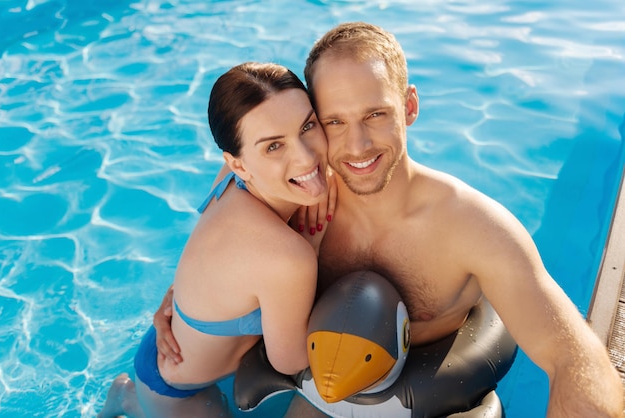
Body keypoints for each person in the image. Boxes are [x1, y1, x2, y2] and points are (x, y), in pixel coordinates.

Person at [155, 23, 624, 417]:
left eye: (376, 114)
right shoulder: (297, 187)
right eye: (334, 121)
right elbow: (225, 216)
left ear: (410, 107)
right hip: (321, 398)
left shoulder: (472, 228)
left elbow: (571, 354)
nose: (357, 146)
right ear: (311, 122)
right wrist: (182, 305)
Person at [98, 62, 334, 418]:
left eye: (308, 126)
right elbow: (291, 360)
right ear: (238, 163)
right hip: (179, 391)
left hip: (165, 345)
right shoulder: (287, 257)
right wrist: (313, 254)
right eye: (274, 147)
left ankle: (128, 397)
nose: (305, 156)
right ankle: (133, 401)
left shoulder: (231, 179)